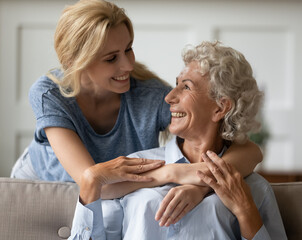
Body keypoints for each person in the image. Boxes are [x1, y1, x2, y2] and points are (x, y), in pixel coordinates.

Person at [10, 0, 263, 200]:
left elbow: (249, 151)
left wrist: (201, 188)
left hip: (120, 190)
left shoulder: (149, 95)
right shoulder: (49, 93)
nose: (129, 64)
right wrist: (172, 172)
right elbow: (93, 181)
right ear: (78, 63)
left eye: (129, 48)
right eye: (112, 58)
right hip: (42, 183)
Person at [69, 41, 287, 240]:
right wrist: (90, 180)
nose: (169, 97)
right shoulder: (136, 166)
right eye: (176, 85)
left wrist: (243, 209)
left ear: (221, 107)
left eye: (186, 87)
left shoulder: (254, 188)